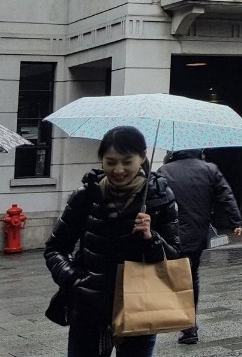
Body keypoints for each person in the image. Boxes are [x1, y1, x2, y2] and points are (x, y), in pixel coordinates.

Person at [44, 126, 181, 357]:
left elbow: (175, 257)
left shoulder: (159, 198)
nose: (118, 170)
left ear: (142, 157)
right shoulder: (85, 196)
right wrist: (74, 280)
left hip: (140, 307)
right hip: (89, 308)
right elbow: (55, 248)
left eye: (127, 162)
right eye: (110, 162)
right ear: (101, 159)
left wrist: (152, 238)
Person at [156, 149, 242, 345]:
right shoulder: (209, 169)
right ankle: (189, 325)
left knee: (177, 275)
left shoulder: (164, 170)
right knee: (191, 274)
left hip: (171, 233)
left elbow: (156, 199)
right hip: (197, 233)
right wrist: (236, 221)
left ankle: (185, 323)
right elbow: (225, 195)